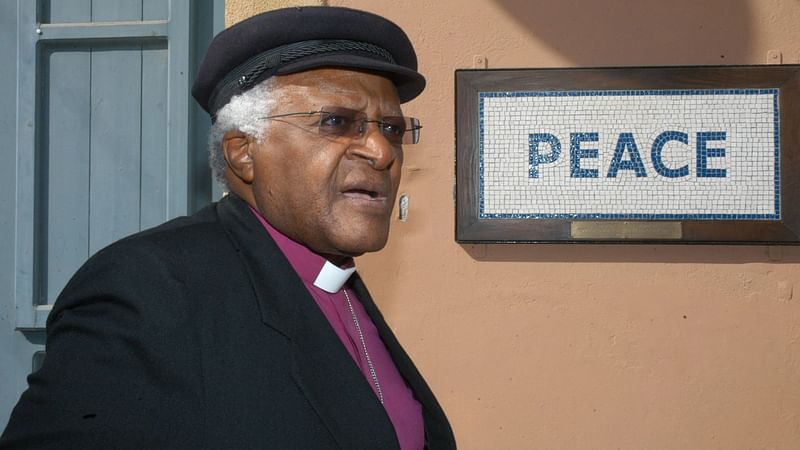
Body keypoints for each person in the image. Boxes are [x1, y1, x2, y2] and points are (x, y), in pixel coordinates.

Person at [0, 6, 455, 449]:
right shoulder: (147, 289)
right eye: (337, 122)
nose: (382, 151)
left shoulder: (336, 282)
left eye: (393, 129)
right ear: (242, 152)